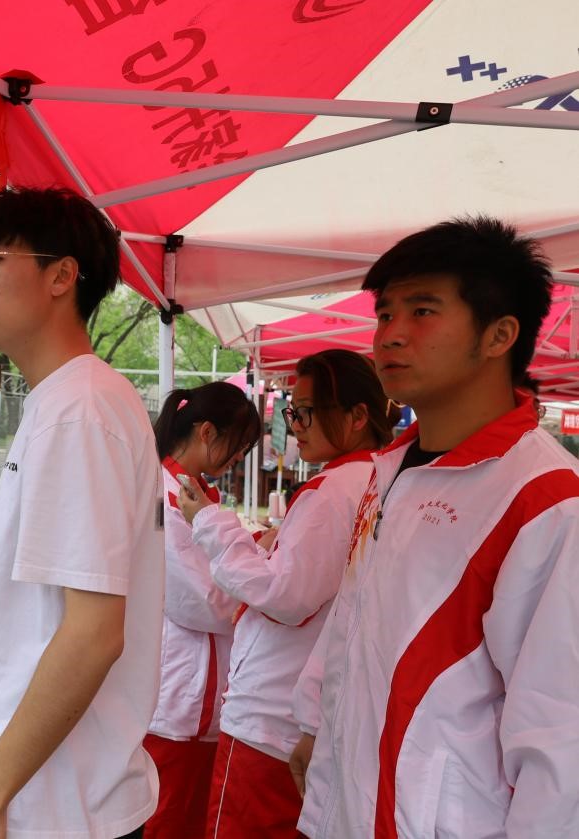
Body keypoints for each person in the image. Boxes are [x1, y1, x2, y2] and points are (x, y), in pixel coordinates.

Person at [293, 217, 579, 837]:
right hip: (349, 805)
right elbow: (354, 616)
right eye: (384, 314)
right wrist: (316, 724)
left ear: (499, 335)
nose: (389, 335)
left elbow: (561, 734)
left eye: (422, 311)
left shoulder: (547, 500)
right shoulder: (389, 470)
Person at [0, 187, 165, 839]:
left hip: (57, 803)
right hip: (64, 793)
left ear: (61, 276)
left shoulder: (78, 410)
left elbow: (94, 632)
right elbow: (61, 597)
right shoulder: (71, 401)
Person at [176, 350, 396, 838]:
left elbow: (284, 594)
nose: (295, 426)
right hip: (310, 711)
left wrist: (211, 525)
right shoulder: (381, 480)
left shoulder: (332, 490)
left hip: (271, 713)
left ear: (359, 416)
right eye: (292, 412)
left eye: (306, 412)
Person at [142, 381, 259, 839]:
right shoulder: (161, 495)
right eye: (239, 445)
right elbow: (200, 600)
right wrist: (261, 582)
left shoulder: (191, 491)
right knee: (168, 820)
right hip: (177, 699)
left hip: (195, 695)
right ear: (207, 432)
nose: (240, 458)